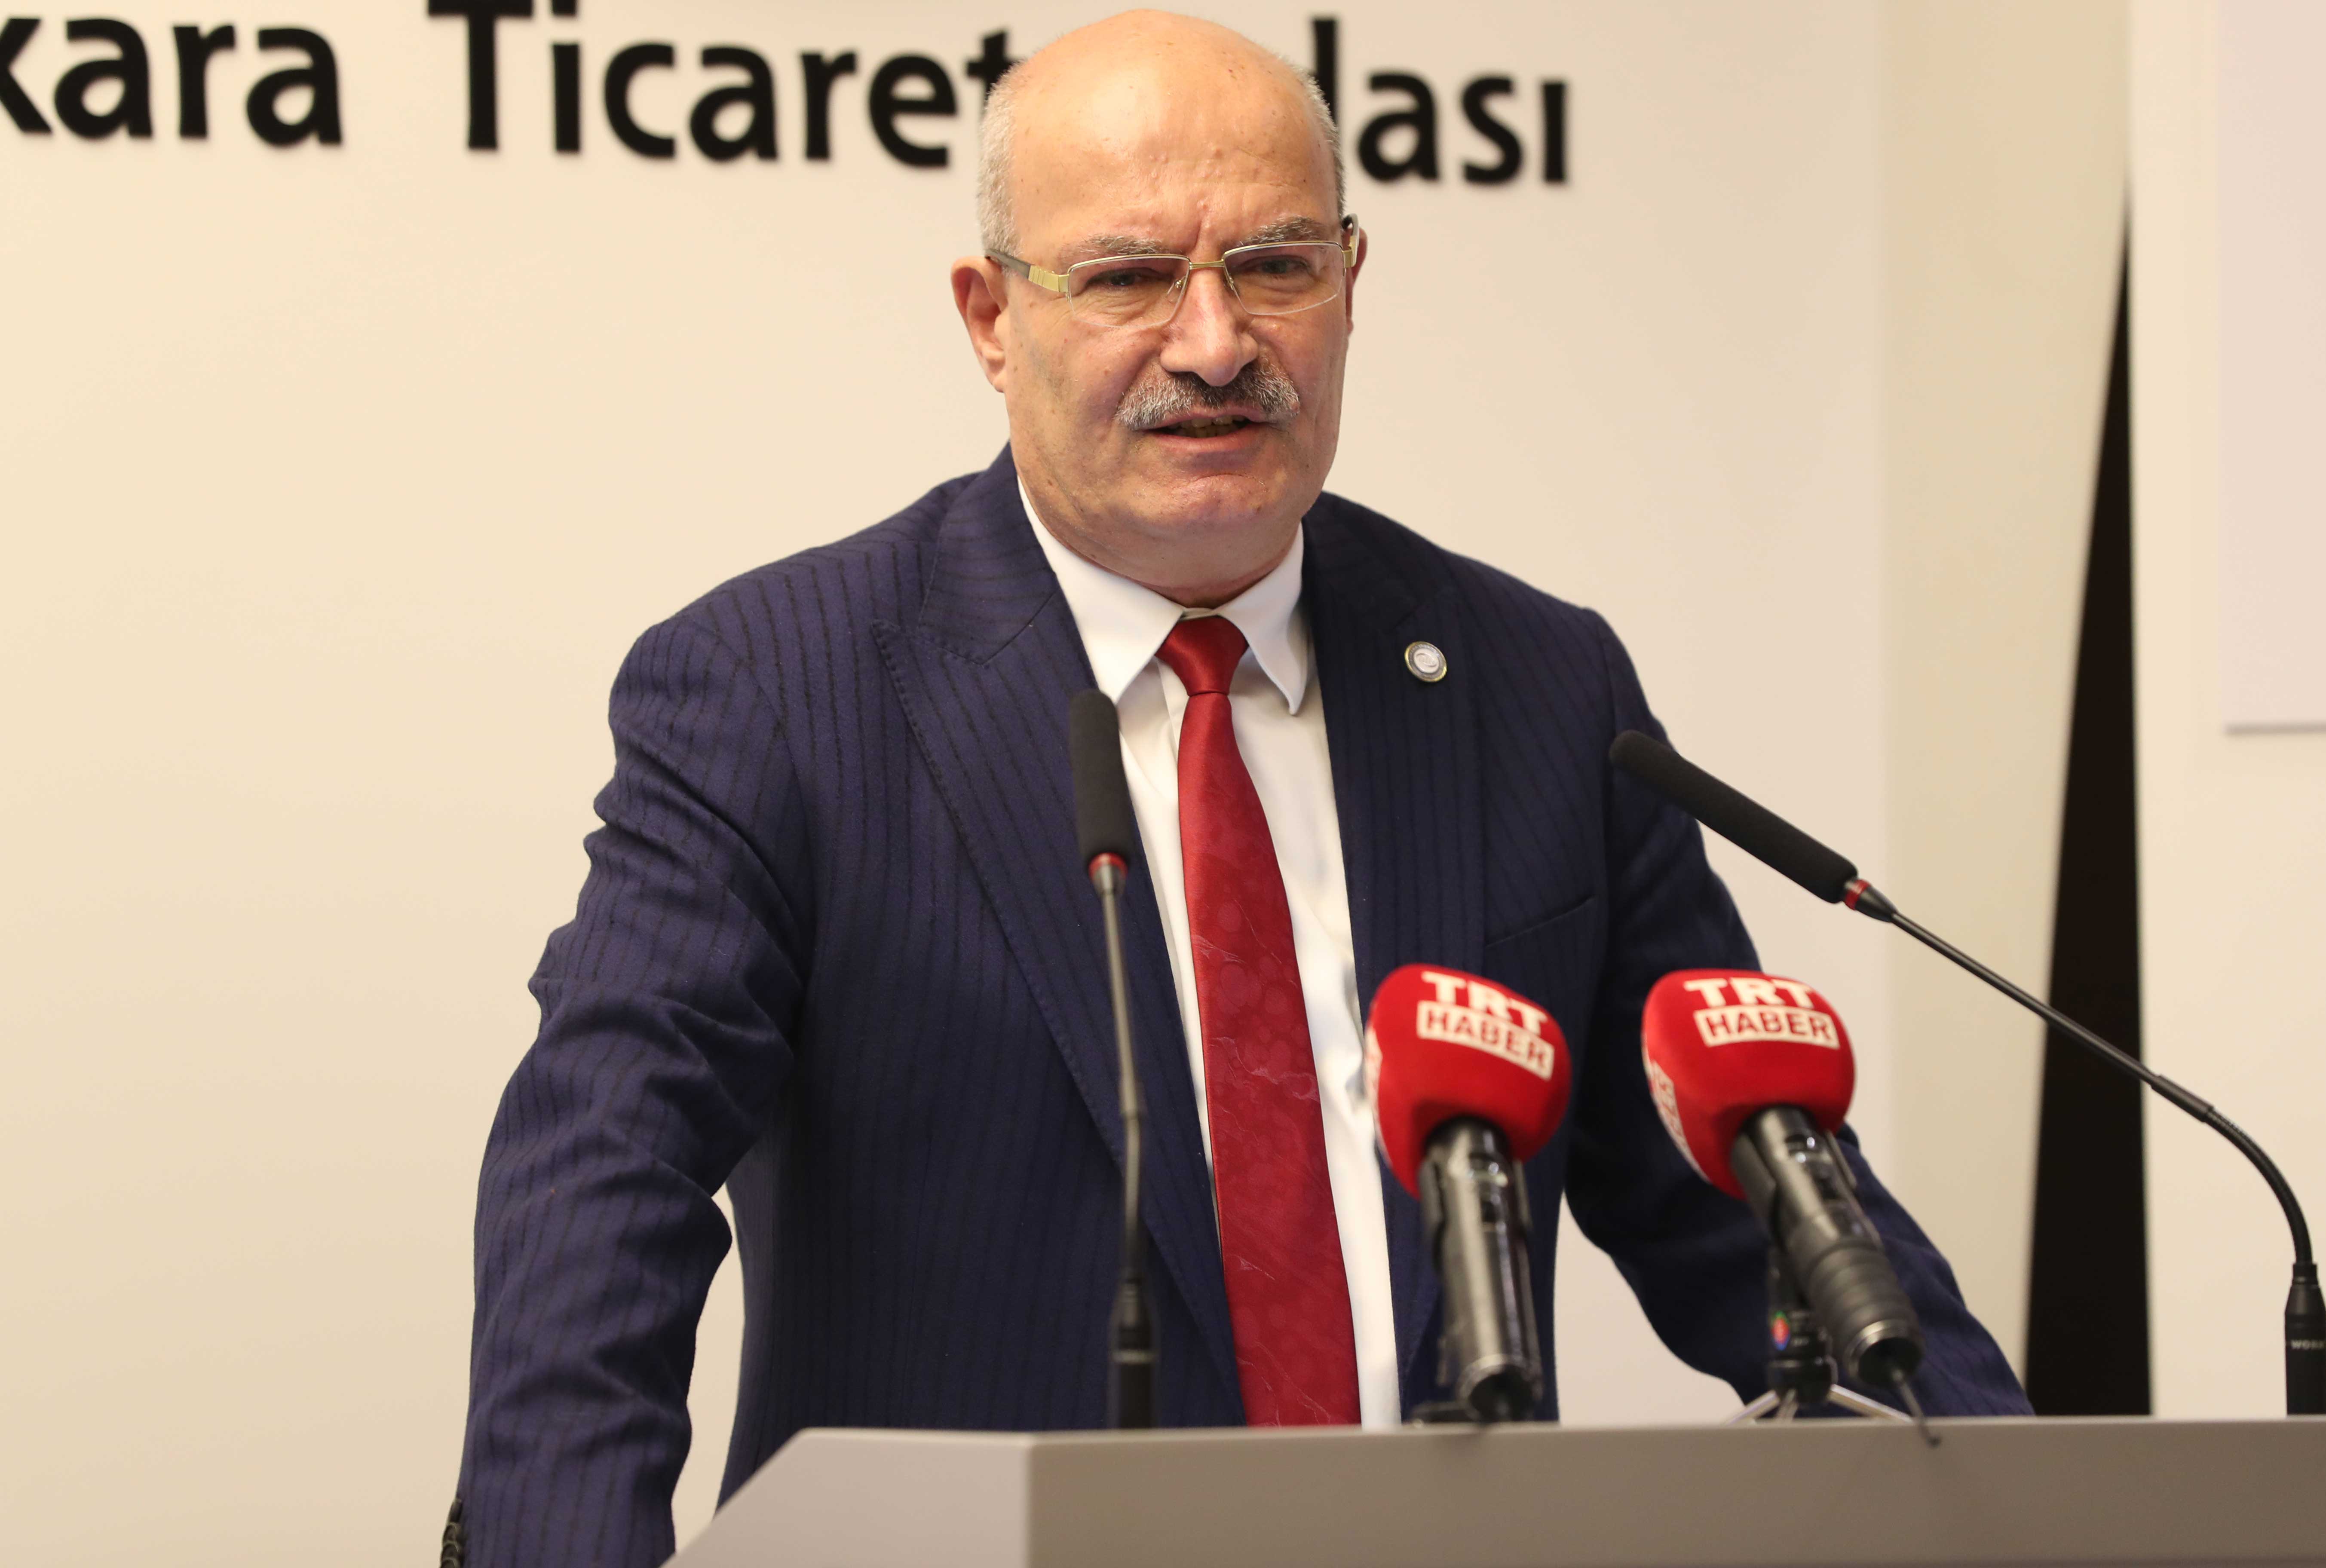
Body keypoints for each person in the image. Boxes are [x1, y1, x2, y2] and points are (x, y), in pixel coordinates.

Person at [453, 12, 2028, 1566]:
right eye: (1130, 277)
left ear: (1351, 283)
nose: (1214, 346)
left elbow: (1760, 1204)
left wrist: (2031, 1512)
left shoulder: (1541, 690)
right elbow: (603, 1187)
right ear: (991, 319)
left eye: (1274, 267)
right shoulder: (780, 688)